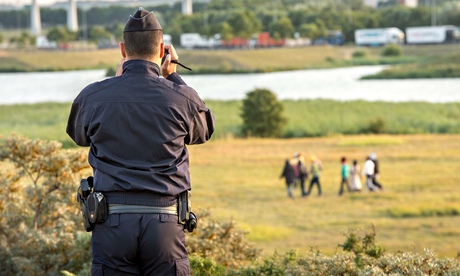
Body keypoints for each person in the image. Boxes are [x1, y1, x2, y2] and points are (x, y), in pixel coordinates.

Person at [66, 7, 215, 275]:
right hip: (165, 224)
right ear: (162, 51)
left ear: (123, 50)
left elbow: (78, 136)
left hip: (111, 224)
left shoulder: (92, 96)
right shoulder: (181, 98)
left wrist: (117, 80)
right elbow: (203, 132)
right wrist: (173, 77)